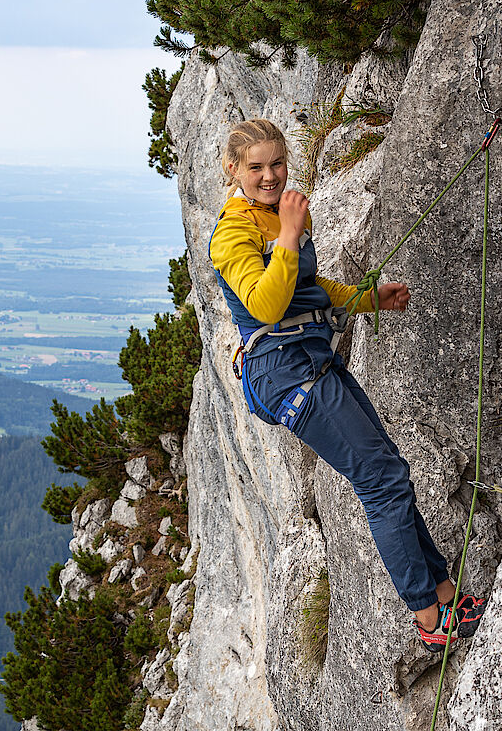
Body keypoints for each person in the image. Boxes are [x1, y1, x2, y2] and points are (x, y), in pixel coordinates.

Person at [207, 118, 485, 653]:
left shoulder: (270, 217)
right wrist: (289, 234)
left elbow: (308, 288)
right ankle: (430, 620)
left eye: (277, 163)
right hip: (283, 369)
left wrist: (368, 297)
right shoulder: (233, 232)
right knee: (379, 481)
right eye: (256, 167)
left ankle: (446, 595)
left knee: (391, 472)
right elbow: (265, 303)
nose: (270, 175)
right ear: (234, 170)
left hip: (308, 358)